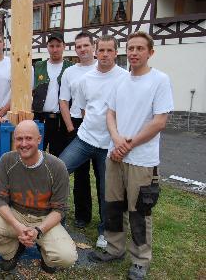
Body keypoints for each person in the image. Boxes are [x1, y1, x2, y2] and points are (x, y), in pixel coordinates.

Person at [88, 31, 173, 280]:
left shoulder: (160, 80)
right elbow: (110, 114)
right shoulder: (121, 81)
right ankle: (114, 249)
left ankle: (140, 260)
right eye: (131, 48)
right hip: (116, 155)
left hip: (142, 159)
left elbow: (159, 122)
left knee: (139, 211)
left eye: (139, 48)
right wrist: (116, 140)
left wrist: (129, 144)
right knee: (112, 206)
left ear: (150, 52)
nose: (134, 53)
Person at [0, 120, 78, 274]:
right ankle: (12, 251)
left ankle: (46, 254)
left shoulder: (57, 167)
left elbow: (59, 209)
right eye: (19, 139)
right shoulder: (7, 160)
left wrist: (38, 230)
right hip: (15, 214)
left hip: (44, 219)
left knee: (67, 257)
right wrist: (17, 226)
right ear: (13, 140)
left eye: (29, 138)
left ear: (39, 139)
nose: (23, 144)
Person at [58, 35, 129, 248]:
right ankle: (55, 219)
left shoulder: (125, 78)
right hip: (85, 139)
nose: (105, 54)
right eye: (102, 50)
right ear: (96, 51)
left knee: (107, 190)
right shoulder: (86, 79)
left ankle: (105, 232)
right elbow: (82, 108)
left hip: (110, 146)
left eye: (110, 50)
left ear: (116, 52)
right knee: (57, 170)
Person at [59, 32, 98, 229]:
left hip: (100, 125)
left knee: (101, 174)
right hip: (75, 124)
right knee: (80, 174)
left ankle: (107, 218)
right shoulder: (70, 72)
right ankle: (83, 215)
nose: (82, 49)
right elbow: (63, 100)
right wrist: (70, 127)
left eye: (85, 45)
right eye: (78, 46)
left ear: (93, 46)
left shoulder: (103, 68)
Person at [32, 33, 73, 156]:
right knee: (36, 154)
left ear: (64, 46)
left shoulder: (70, 67)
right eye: (51, 46)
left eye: (58, 46)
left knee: (57, 158)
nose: (54, 49)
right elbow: (30, 91)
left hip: (60, 120)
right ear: (47, 47)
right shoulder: (38, 66)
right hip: (40, 118)